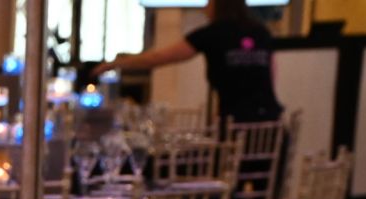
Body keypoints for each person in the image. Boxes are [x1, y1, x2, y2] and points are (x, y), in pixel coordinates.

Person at [92, 0, 283, 125]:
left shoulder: (212, 34)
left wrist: (115, 63)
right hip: (271, 127)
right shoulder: (261, 32)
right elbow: (272, 73)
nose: (204, 7)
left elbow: (157, 58)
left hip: (235, 129)